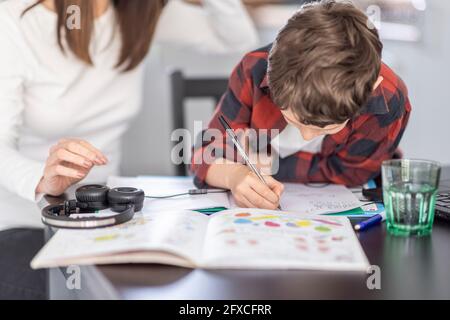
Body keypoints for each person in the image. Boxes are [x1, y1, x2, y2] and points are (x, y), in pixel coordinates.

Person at [191, 0, 411, 210]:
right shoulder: (255, 69)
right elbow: (203, 152)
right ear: (271, 79)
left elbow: (352, 173)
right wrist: (234, 175)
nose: (306, 136)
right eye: (293, 119)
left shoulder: (387, 100)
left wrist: (269, 166)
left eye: (326, 127)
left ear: (371, 90)